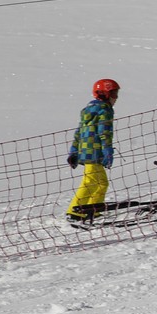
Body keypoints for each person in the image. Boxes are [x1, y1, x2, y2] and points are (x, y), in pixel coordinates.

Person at [66, 78, 119, 223]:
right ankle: (75, 211)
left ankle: (93, 209)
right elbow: (104, 133)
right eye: (113, 94)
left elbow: (79, 132)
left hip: (86, 151)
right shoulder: (104, 110)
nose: (116, 98)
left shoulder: (88, 110)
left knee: (102, 183)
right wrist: (108, 152)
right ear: (104, 94)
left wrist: (74, 151)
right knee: (90, 182)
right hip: (95, 152)